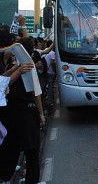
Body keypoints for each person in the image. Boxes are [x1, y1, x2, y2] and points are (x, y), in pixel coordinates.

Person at [0, 37, 46, 184]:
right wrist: (41, 114)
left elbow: (3, 80)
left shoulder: (11, 68)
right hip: (26, 115)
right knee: (32, 150)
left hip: (10, 116)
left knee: (11, 148)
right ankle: (31, 180)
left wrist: (14, 69)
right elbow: (36, 94)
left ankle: (5, 177)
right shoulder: (26, 67)